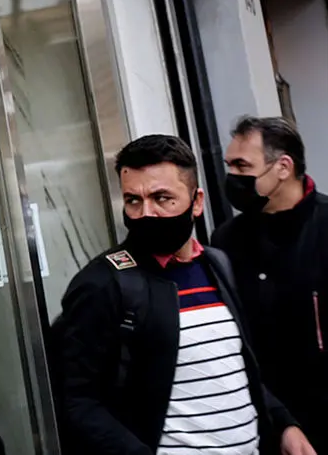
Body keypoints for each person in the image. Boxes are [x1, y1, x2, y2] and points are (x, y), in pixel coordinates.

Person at [56, 134, 313, 455]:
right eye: (133, 200)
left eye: (162, 198)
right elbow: (79, 402)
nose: (146, 213)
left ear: (197, 202)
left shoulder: (216, 265)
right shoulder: (103, 283)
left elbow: (234, 367)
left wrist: (284, 424)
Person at [213, 116, 328, 453]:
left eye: (242, 166)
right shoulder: (227, 241)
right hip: (268, 424)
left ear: (283, 167)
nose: (233, 177)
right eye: (229, 165)